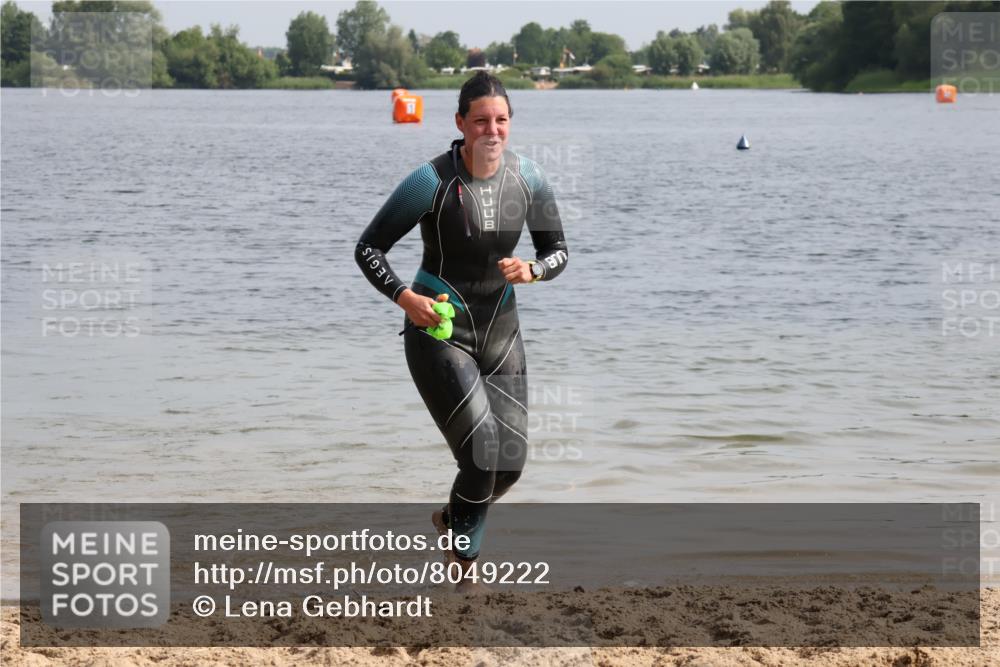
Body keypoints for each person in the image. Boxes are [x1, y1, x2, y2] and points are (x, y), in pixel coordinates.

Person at [355, 71, 568, 594]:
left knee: (509, 466)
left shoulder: (531, 179)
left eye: (500, 120)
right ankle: (465, 577)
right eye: (480, 121)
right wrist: (406, 297)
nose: (491, 130)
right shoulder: (430, 181)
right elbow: (368, 248)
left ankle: (453, 518)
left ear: (510, 124)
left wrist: (535, 271)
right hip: (439, 331)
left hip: (502, 331)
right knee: (481, 454)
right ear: (460, 123)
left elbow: (558, 252)